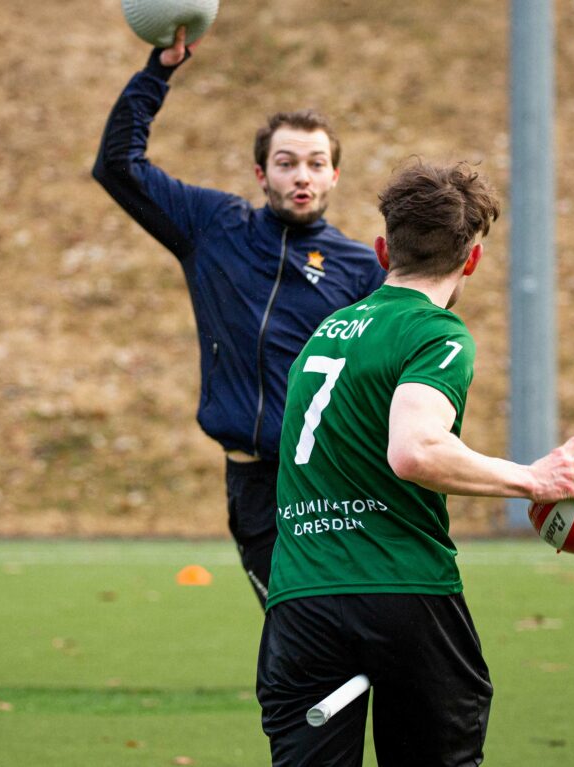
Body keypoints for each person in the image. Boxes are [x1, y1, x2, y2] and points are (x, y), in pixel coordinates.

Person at [256, 160, 574, 766]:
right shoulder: (434, 332)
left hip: (301, 603)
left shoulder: (326, 333)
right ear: (471, 259)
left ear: (383, 248)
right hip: (403, 595)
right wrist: (534, 478)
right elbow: (415, 450)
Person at [93, 29, 386, 608]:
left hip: (330, 484)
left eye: (315, 163)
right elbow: (117, 167)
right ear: (261, 175)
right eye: (286, 163)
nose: (300, 175)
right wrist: (158, 72)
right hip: (253, 485)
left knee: (334, 641)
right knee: (297, 635)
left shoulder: (361, 270)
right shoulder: (214, 227)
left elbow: (392, 377)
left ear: (333, 177)